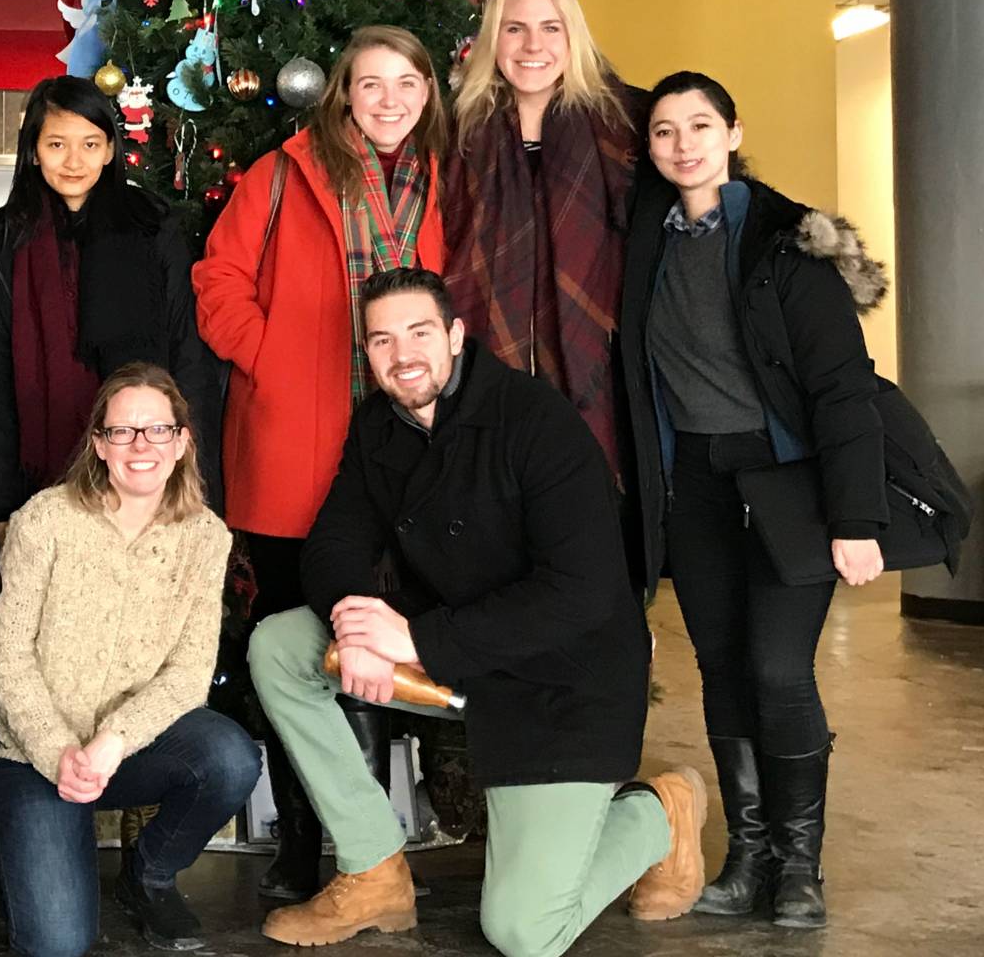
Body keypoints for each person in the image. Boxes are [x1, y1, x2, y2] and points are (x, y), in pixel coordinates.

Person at [248, 268, 706, 957]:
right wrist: (356, 626)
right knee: (281, 646)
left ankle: (658, 816)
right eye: (381, 341)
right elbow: (336, 540)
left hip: (562, 685)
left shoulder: (535, 421)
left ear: (457, 337)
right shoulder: (380, 425)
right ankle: (374, 869)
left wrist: (413, 636)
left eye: (419, 333)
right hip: (457, 656)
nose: (402, 355)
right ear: (366, 355)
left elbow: (579, 593)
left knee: (525, 933)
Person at [621, 71, 888, 930]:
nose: (683, 145)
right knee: (723, 668)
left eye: (700, 126)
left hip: (788, 485)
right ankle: (748, 854)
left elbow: (844, 390)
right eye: (664, 132)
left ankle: (800, 867)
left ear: (733, 132)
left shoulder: (786, 241)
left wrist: (856, 520)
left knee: (778, 669)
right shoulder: (647, 242)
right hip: (694, 483)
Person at [192, 25, 449, 899]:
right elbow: (216, 280)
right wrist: (269, 355)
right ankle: (304, 845)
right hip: (292, 456)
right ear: (344, 93)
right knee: (297, 661)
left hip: (404, 457)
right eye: (370, 84)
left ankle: (363, 850)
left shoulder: (443, 184)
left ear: (426, 94)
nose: (387, 100)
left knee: (375, 656)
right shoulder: (282, 174)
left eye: (405, 84)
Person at [0, 363, 258, 956]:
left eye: (157, 430)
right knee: (56, 941)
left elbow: (188, 674)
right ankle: (25, 854)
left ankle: (150, 875)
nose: (141, 446)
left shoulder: (207, 537)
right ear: (99, 446)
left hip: (127, 750)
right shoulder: (46, 519)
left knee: (230, 757)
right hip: (32, 754)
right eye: (122, 432)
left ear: (182, 441)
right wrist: (58, 749)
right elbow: (4, 653)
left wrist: (112, 740)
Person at [0, 76, 220, 530]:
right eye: (57, 143)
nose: (74, 161)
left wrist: (195, 486)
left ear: (110, 149)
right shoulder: (1, 241)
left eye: (90, 143)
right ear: (33, 151)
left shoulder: (153, 229)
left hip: (145, 477)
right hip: (35, 489)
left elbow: (187, 357)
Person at [442, 0, 647, 485]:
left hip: (604, 366)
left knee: (588, 520)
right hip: (482, 361)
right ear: (494, 39)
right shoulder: (457, 130)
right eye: (515, 28)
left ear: (572, 36)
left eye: (550, 27)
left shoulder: (625, 124)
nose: (533, 44)